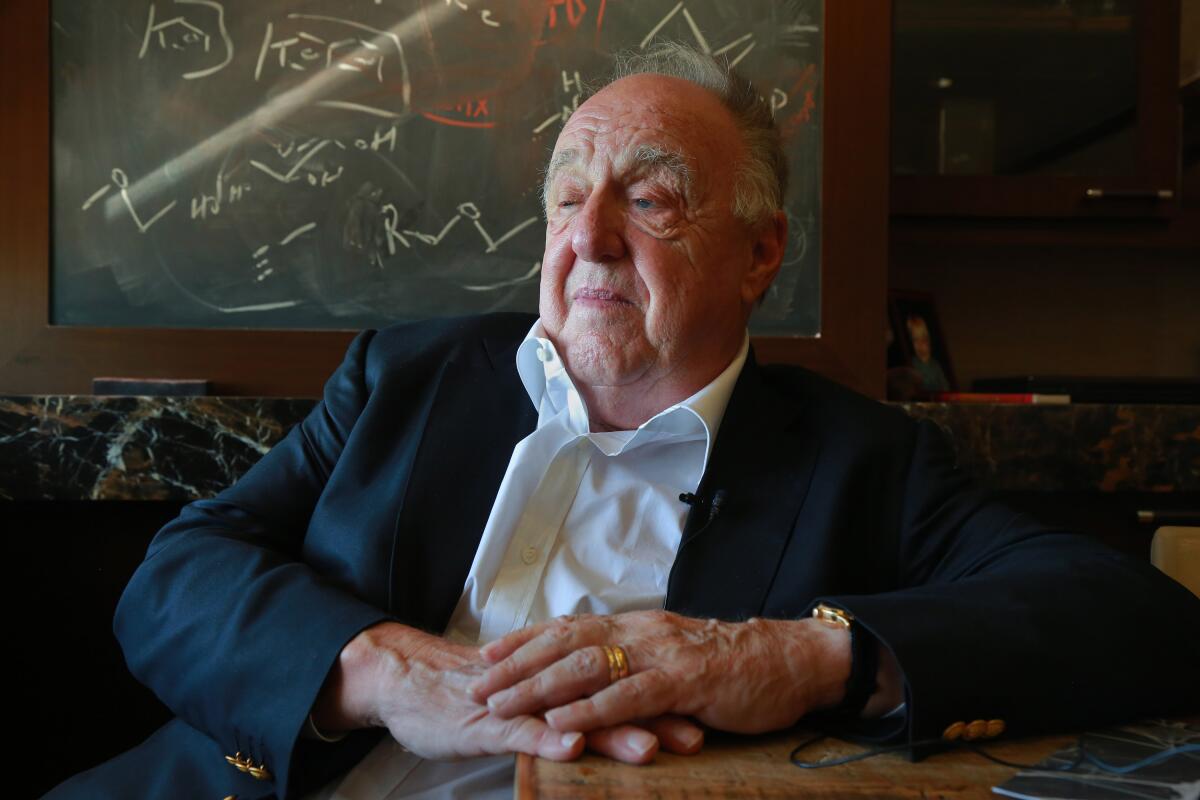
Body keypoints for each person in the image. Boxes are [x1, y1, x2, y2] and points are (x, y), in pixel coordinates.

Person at [49, 43, 1200, 800]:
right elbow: (178, 568)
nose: (587, 235)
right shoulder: (407, 375)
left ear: (760, 254)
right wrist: (376, 671)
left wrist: (790, 654)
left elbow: (1139, 620)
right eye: (565, 195)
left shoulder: (862, 459)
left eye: (647, 199)